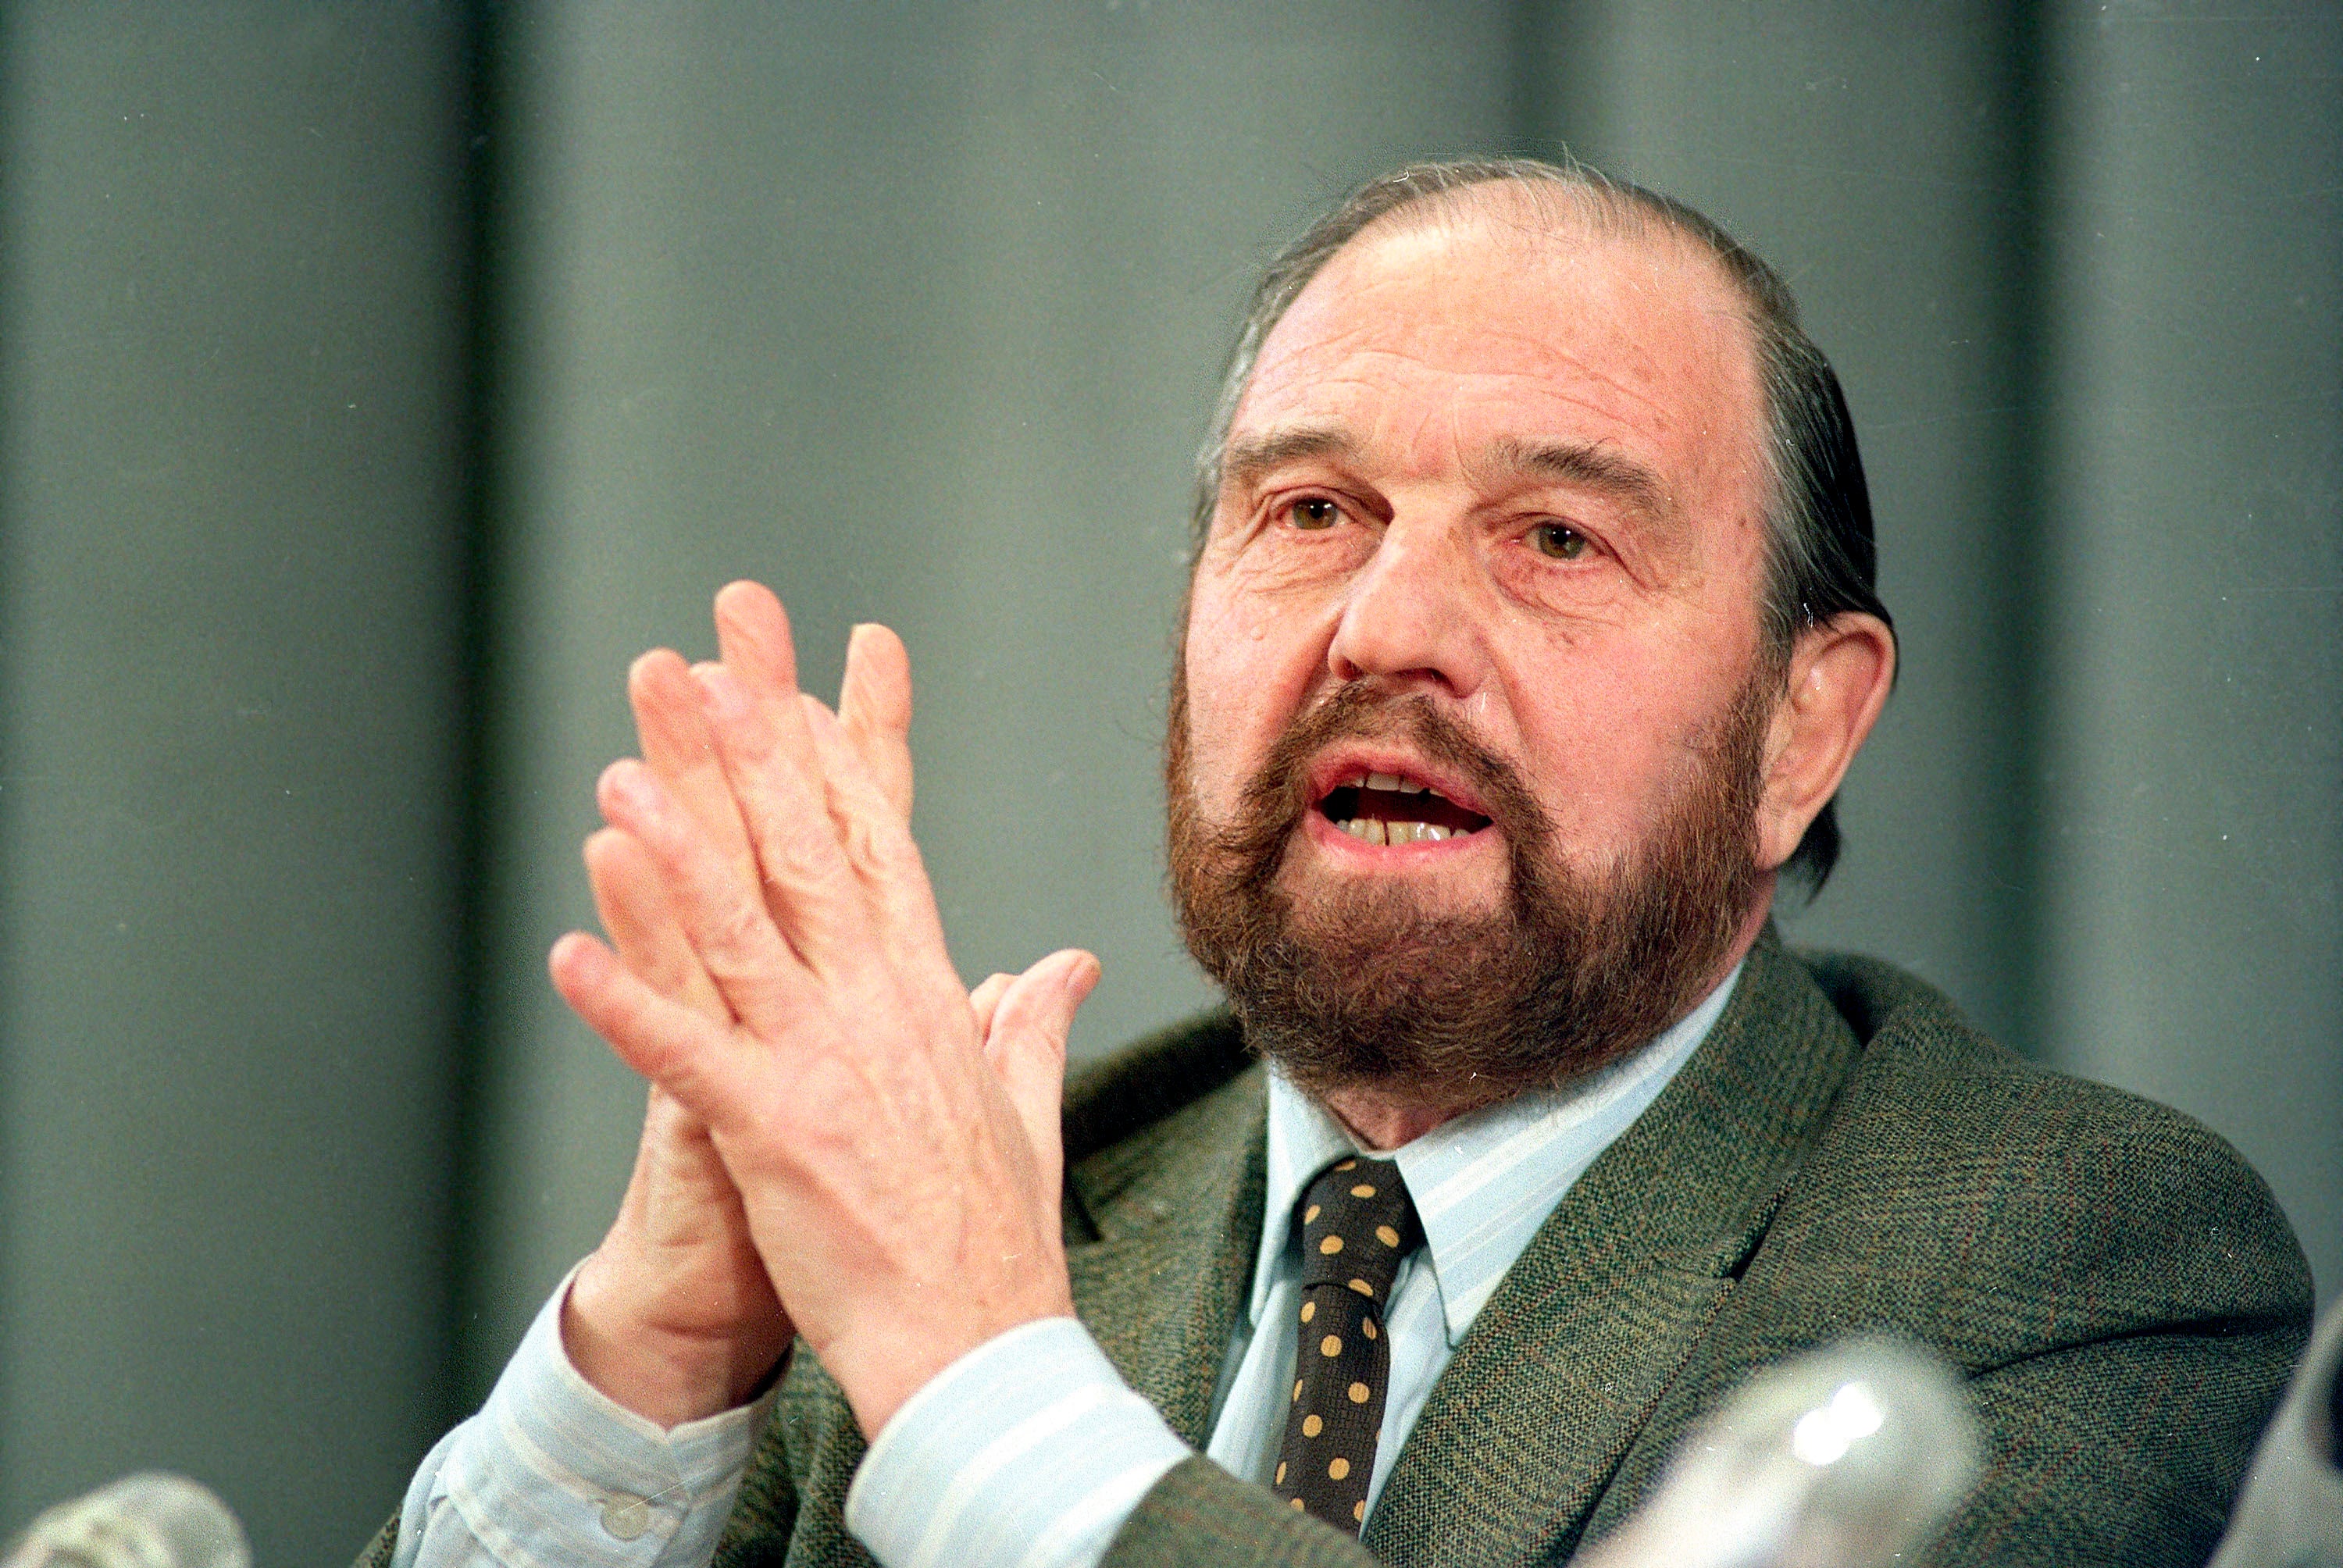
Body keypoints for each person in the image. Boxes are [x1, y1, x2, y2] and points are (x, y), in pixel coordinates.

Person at [362, 159, 2310, 1568]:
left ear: (1804, 725)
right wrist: (667, 1350)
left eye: (1555, 538)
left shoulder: (2067, 1261)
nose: (1387, 624)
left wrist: (976, 1378)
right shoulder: (1023, 1192)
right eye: (1311, 509)